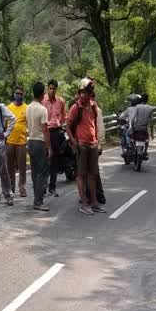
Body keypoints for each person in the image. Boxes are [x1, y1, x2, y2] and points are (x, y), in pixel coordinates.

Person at [66, 78, 105, 215]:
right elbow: (68, 127)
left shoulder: (93, 106)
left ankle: (94, 203)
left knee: (92, 175)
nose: (86, 95)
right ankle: (84, 203)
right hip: (82, 145)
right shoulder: (76, 108)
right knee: (81, 175)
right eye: (83, 92)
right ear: (79, 92)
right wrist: (75, 143)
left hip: (92, 145)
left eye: (88, 92)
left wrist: (97, 142)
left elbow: (94, 124)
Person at [26, 82, 51, 210]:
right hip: (40, 142)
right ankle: (38, 201)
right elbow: (45, 130)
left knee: (35, 172)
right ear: (42, 94)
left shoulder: (28, 108)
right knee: (42, 172)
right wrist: (49, 147)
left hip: (30, 141)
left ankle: (36, 198)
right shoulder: (42, 109)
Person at [43, 79, 67, 197]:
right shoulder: (42, 100)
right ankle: (42, 187)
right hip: (45, 131)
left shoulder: (61, 101)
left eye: (54, 89)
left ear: (56, 89)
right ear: (48, 88)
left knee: (54, 159)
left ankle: (52, 186)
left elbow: (64, 116)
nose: (52, 91)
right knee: (44, 159)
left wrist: (59, 124)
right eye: (50, 88)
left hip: (56, 132)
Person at [6, 85, 29, 197]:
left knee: (22, 167)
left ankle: (22, 188)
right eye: (17, 93)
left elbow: (29, 123)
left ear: (23, 95)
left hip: (22, 142)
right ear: (14, 94)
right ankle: (11, 188)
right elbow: (4, 124)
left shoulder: (27, 108)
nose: (18, 95)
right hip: (10, 141)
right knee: (10, 167)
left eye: (20, 94)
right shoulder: (8, 107)